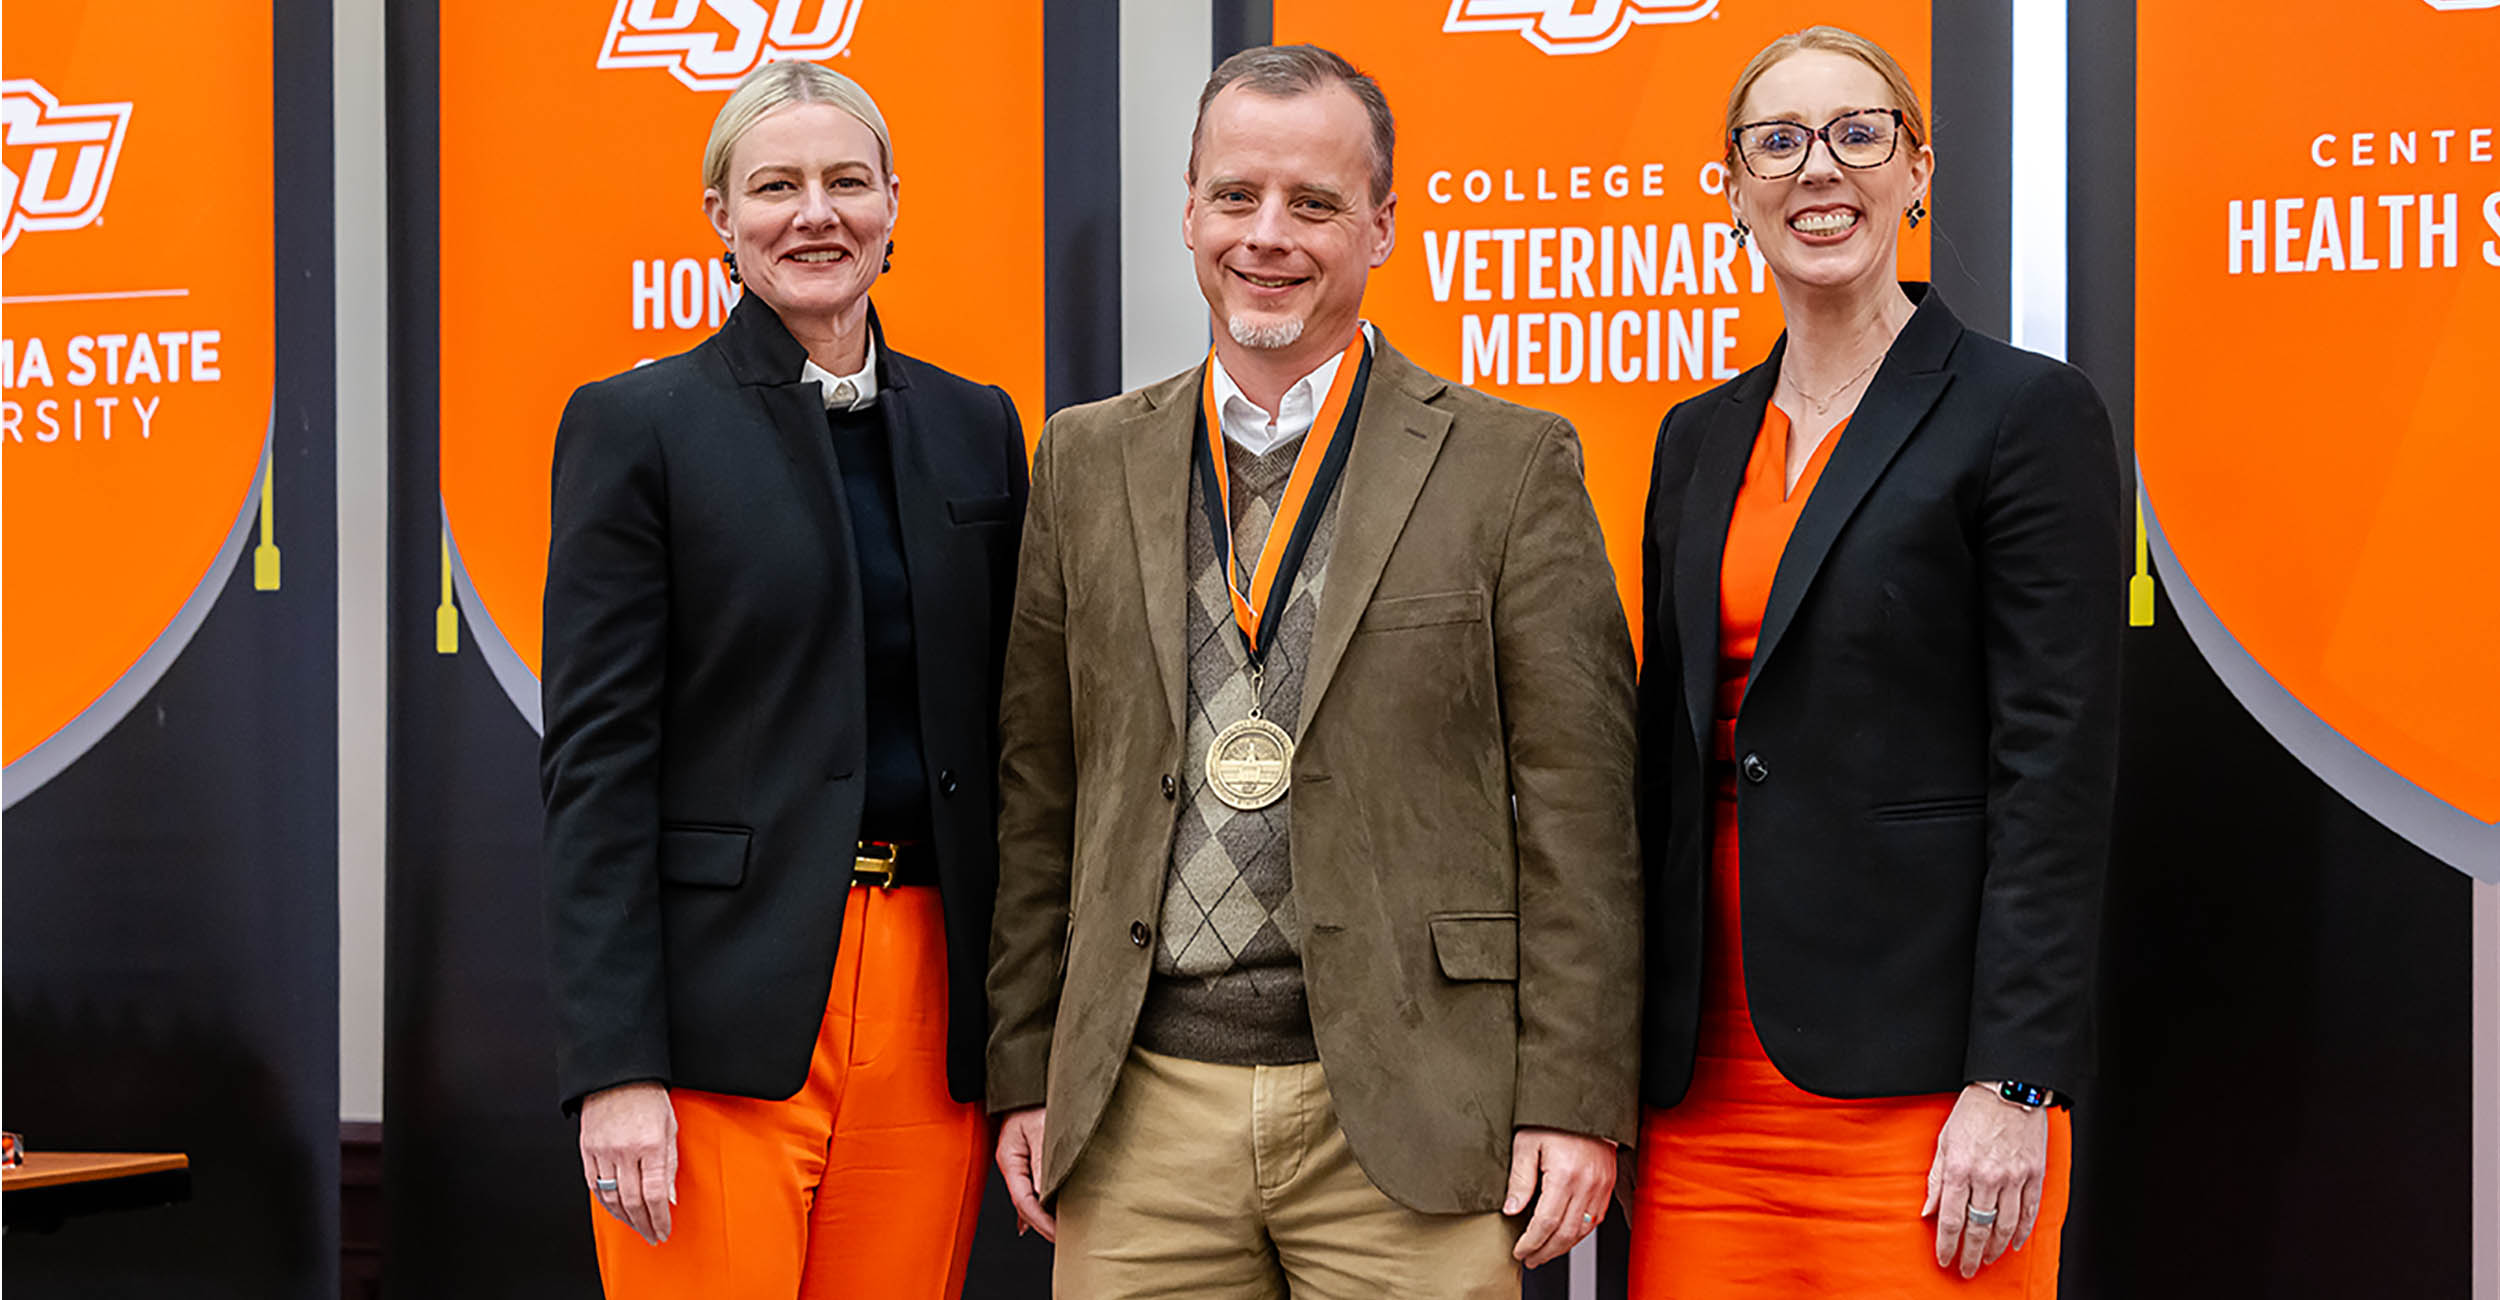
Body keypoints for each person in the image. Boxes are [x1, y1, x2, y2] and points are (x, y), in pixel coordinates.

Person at [984, 43, 1641, 1300]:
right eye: (1235, 196)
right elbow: (1040, 792)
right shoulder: (1080, 461)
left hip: (1416, 1108)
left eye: (1315, 203)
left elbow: (1580, 810)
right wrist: (1025, 1070)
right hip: (1136, 1119)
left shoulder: (1509, 465)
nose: (1266, 236)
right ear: (1186, 209)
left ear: (1382, 226)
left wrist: (1570, 1095)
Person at [1629, 25, 2122, 1296]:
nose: (1817, 171)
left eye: (1858, 134)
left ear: (1918, 172)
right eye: (1776, 143)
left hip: (1928, 1093)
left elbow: (2053, 774)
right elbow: (1657, 766)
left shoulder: (2026, 413)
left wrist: (2014, 1080)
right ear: (1730, 187)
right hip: (1701, 1096)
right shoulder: (1695, 440)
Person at [539, 60, 1027, 1300]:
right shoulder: (636, 425)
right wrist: (617, 1066)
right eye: (775, 186)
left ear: (893, 207)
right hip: (719, 1017)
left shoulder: (980, 426)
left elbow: (1023, 743)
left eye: (846, 182)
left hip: (933, 1009)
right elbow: (595, 767)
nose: (815, 213)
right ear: (720, 217)